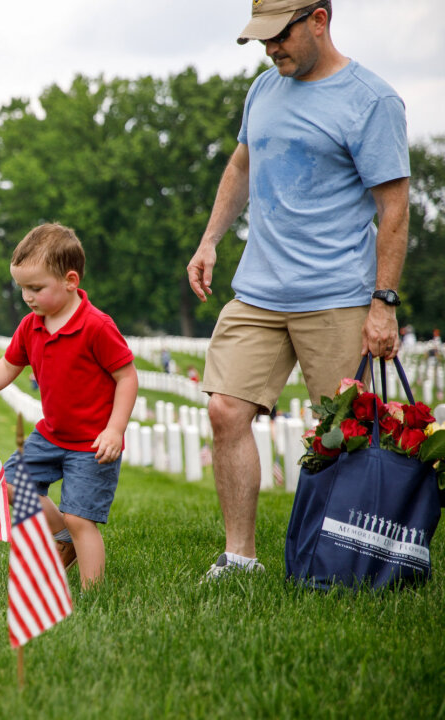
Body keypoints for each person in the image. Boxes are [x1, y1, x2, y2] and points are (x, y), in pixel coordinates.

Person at [186, 0, 410, 580]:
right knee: (225, 410)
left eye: (278, 36)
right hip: (258, 290)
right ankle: (240, 558)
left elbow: (394, 208)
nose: (269, 49)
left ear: (318, 19)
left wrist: (383, 302)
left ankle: (346, 562)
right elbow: (241, 166)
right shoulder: (264, 90)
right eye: (261, 40)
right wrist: (211, 239)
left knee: (345, 432)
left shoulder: (372, 101)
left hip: (337, 295)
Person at [0, 223, 138, 591]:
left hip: (92, 443)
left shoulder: (96, 327)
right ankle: (61, 536)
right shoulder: (30, 326)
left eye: (36, 288)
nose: (27, 296)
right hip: (51, 434)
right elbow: (8, 365)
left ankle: (93, 592)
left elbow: (127, 377)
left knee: (79, 517)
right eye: (22, 288)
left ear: (70, 281)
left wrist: (114, 429)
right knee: (5, 484)